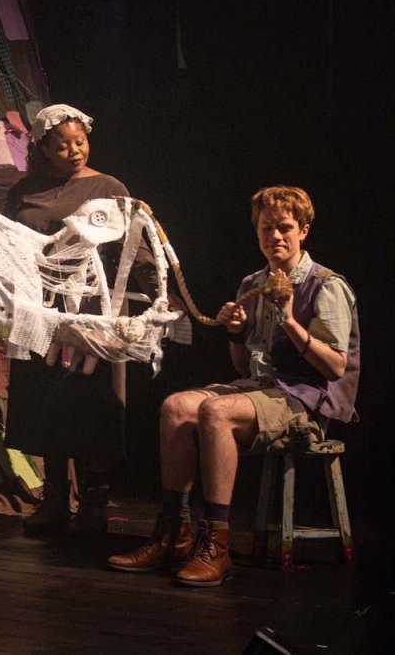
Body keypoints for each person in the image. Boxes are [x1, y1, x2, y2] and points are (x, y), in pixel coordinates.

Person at [108, 185, 358, 587]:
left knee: (215, 411)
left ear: (303, 230)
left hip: (306, 400)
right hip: (259, 390)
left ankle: (217, 546)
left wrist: (290, 322)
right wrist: (236, 333)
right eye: (266, 228)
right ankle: (174, 534)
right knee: (176, 407)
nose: (275, 236)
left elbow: (334, 367)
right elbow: (242, 367)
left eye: (284, 227)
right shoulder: (252, 284)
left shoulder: (325, 285)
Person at [2, 103, 144, 537]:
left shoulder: (108, 187)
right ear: (44, 149)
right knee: (44, 399)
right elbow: (8, 243)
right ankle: (55, 498)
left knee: (89, 399)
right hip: (41, 309)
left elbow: (134, 247)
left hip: (91, 310)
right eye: (63, 146)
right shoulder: (24, 191)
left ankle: (94, 503)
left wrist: (161, 295)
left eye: (80, 142)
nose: (74, 151)